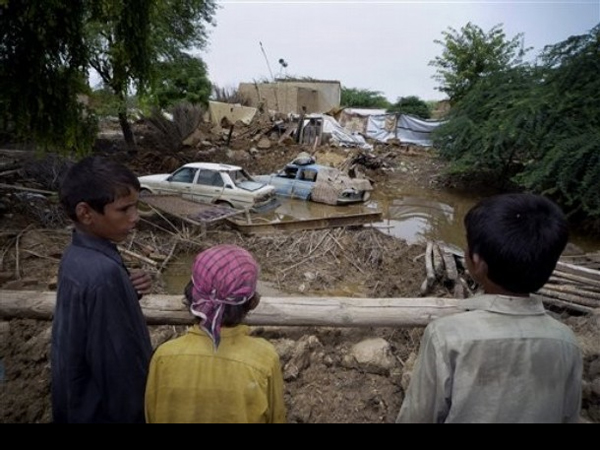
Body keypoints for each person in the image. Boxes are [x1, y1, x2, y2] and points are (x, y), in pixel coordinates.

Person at [396, 193, 583, 423]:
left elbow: (417, 417)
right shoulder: (566, 343)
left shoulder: (446, 336)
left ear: (477, 262)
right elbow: (568, 416)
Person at [51, 155, 153, 423]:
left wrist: (127, 293)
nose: (135, 217)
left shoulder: (75, 257)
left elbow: (89, 324)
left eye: (136, 206)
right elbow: (121, 370)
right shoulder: (103, 274)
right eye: (124, 210)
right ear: (86, 213)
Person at [144, 244, 287, 423]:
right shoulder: (264, 359)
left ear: (191, 295)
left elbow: (150, 415)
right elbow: (277, 418)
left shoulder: (163, 357)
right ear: (252, 301)